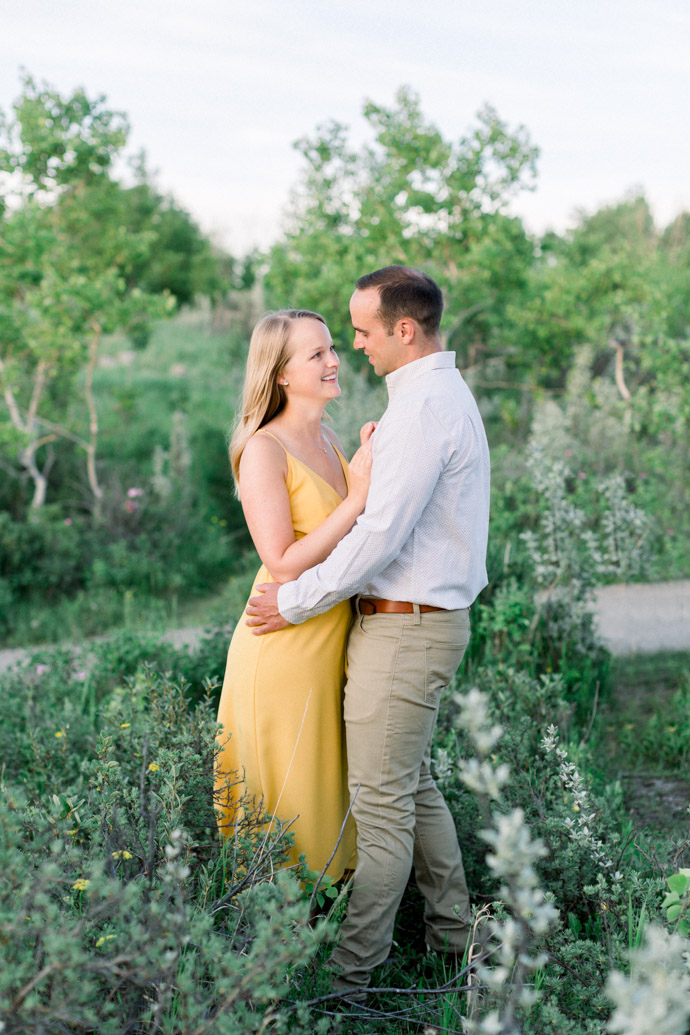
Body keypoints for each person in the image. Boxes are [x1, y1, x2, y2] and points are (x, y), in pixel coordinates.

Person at [246, 266, 491, 994]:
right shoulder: (433, 397)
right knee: (412, 789)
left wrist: (292, 602)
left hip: (405, 630)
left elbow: (379, 535)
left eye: (361, 331)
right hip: (416, 624)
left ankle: (350, 982)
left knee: (381, 811)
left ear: (404, 330)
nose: (353, 346)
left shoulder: (421, 411)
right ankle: (455, 938)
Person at [214, 308, 375, 882]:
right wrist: (357, 499)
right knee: (292, 795)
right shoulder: (264, 448)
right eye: (317, 354)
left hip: (330, 638)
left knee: (330, 787)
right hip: (282, 644)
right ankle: (276, 940)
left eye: (332, 348)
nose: (335, 360)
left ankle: (329, 937)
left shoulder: (329, 438)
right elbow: (280, 561)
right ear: (280, 372)